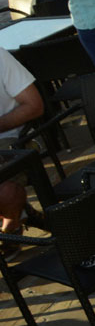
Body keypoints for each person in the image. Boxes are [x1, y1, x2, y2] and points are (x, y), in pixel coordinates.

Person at [0, 48, 45, 240]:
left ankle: (12, 224)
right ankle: (19, 213)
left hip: (12, 140)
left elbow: (34, 106)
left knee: (7, 192)